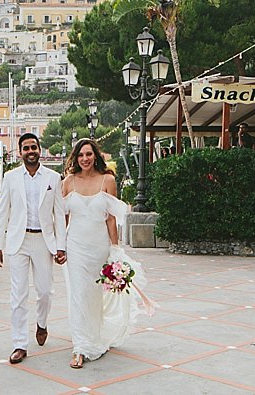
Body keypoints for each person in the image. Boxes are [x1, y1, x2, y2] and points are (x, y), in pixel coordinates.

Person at [61, 138, 150, 369]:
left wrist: (115, 249)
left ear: (96, 156)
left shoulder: (108, 180)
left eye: (89, 154)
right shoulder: (68, 182)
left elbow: (111, 219)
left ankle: (95, 335)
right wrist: (59, 247)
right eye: (81, 155)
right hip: (76, 247)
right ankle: (80, 347)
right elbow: (63, 219)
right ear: (75, 158)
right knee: (79, 295)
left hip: (99, 247)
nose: (85, 159)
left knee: (96, 296)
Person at [0, 133, 67, 365]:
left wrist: (61, 246)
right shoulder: (11, 178)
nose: (30, 151)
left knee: (44, 292)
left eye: (34, 147)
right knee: (18, 295)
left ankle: (42, 323)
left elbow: (59, 215)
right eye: (26, 148)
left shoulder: (53, 178)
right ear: (20, 152)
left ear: (40, 149)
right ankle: (19, 344)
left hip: (44, 241)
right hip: (18, 241)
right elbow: (2, 212)